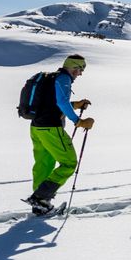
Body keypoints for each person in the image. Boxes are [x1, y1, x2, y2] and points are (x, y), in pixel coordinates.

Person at [24, 54, 94, 215]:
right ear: (71, 67)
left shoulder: (51, 78)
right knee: (69, 163)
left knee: (44, 164)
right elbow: (61, 102)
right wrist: (78, 121)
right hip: (51, 128)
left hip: (36, 128)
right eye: (79, 69)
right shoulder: (64, 79)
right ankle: (40, 197)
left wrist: (75, 104)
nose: (80, 73)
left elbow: (53, 103)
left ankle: (40, 205)